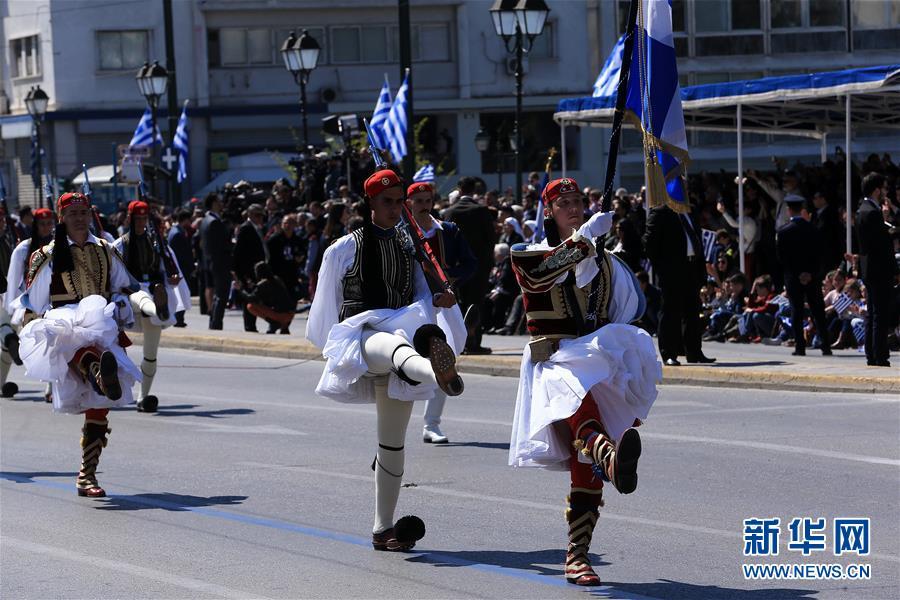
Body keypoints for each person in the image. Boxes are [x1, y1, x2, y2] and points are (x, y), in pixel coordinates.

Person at [508, 177, 661, 586]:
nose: (574, 208)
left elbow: (626, 309)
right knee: (579, 411)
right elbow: (539, 277)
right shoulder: (527, 254)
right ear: (548, 212)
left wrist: (597, 251)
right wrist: (584, 240)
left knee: (583, 466)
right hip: (554, 361)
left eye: (579, 201)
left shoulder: (607, 263)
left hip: (593, 359)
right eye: (564, 204)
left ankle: (578, 555)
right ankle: (612, 460)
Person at [306, 168, 466, 552]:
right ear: (371, 204)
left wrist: (441, 296)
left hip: (403, 336)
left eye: (399, 202)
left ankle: (383, 530)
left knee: (392, 444)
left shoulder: (411, 246)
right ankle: (435, 371)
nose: (395, 209)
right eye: (387, 202)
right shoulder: (343, 248)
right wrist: (334, 349)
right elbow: (324, 307)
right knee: (389, 344)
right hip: (361, 336)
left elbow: (421, 295)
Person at [18, 192, 141, 497]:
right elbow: (33, 300)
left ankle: (87, 475)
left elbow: (123, 285)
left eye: (83, 212)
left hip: (101, 320)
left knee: (100, 407)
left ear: (90, 214)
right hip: (64, 321)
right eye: (72, 213)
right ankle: (99, 372)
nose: (79, 218)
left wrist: (127, 304)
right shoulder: (46, 254)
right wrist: (31, 331)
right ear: (62, 218)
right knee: (75, 339)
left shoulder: (105, 250)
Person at [406, 181, 477, 444]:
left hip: (444, 303)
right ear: (409, 204)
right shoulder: (403, 234)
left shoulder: (448, 231)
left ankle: (431, 424)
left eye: (428, 201)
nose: (425, 206)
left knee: (444, 360)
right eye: (419, 201)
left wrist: (451, 278)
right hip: (412, 306)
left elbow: (470, 263)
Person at [113, 200, 189, 413]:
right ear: (129, 219)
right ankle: (158, 309)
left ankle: (143, 397)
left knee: (151, 353)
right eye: (137, 219)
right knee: (140, 295)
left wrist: (173, 278)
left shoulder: (157, 243)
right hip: (129, 296)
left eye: (143, 219)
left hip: (155, 292)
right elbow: (113, 275)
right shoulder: (120, 245)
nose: (140, 223)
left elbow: (169, 268)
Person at [643, 203, 716, 365]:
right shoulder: (660, 212)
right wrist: (662, 266)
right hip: (671, 271)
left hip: (691, 267)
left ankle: (694, 352)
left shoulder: (689, 210)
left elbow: (696, 238)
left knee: (692, 311)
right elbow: (649, 243)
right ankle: (669, 353)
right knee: (670, 312)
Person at [4, 208, 55, 400]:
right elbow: (13, 278)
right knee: (16, 347)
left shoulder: (58, 245)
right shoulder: (23, 249)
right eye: (42, 224)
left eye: (49, 223)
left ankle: (51, 388)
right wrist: (11, 308)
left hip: (52, 302)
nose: (47, 228)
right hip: (30, 303)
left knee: (54, 344)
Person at [442, 176, 496, 355]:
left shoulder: (449, 212)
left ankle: (460, 343)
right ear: (474, 190)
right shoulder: (481, 210)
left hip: (457, 268)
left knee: (459, 305)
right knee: (476, 304)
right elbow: (490, 240)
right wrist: (488, 264)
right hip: (479, 267)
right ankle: (474, 343)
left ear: (459, 189)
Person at [775, 194, 832, 356]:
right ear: (802, 210)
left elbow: (782, 258)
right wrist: (810, 273)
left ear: (788, 210)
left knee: (796, 310)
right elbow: (820, 254)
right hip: (812, 277)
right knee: (818, 310)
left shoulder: (784, 231)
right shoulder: (813, 229)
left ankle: (800, 346)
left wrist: (797, 273)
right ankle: (825, 345)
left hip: (793, 277)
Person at [856, 172, 897, 367]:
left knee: (872, 312)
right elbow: (880, 242)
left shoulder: (863, 209)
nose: (885, 192)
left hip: (869, 268)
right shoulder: (871, 212)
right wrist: (888, 225)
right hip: (879, 268)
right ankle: (880, 354)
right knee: (879, 313)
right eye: (884, 188)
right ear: (876, 190)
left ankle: (872, 353)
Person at [233, 204, 269, 332]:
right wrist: (242, 274)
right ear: (249, 215)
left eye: (261, 215)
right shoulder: (246, 229)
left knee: (255, 297)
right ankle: (249, 326)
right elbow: (239, 253)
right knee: (249, 298)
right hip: (248, 271)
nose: (260, 218)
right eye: (256, 215)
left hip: (256, 270)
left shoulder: (257, 229)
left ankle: (251, 324)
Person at [199, 193, 232, 330]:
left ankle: (213, 319)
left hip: (207, 262)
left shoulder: (204, 220)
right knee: (221, 294)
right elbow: (221, 246)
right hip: (218, 263)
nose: (221, 204)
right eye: (219, 201)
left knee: (212, 291)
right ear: (213, 203)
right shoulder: (215, 222)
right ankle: (216, 321)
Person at [0, 205, 22, 398]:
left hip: (7, 293)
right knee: (5, 330)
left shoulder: (6, 240)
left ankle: (0, 383)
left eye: (1, 221)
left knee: (7, 341)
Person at [167, 210, 194, 327]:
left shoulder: (175, 231)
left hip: (179, 268)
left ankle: (179, 318)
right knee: (181, 293)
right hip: (181, 268)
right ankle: (179, 318)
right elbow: (181, 254)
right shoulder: (177, 233)